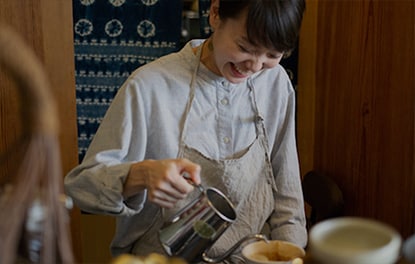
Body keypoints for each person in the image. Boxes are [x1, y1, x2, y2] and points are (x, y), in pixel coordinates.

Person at [64, 0, 307, 260]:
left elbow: (287, 194)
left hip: (253, 256)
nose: (255, 67)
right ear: (215, 14)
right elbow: (82, 187)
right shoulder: (149, 87)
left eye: (272, 54)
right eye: (245, 47)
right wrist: (141, 175)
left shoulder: (276, 83)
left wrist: (292, 254)